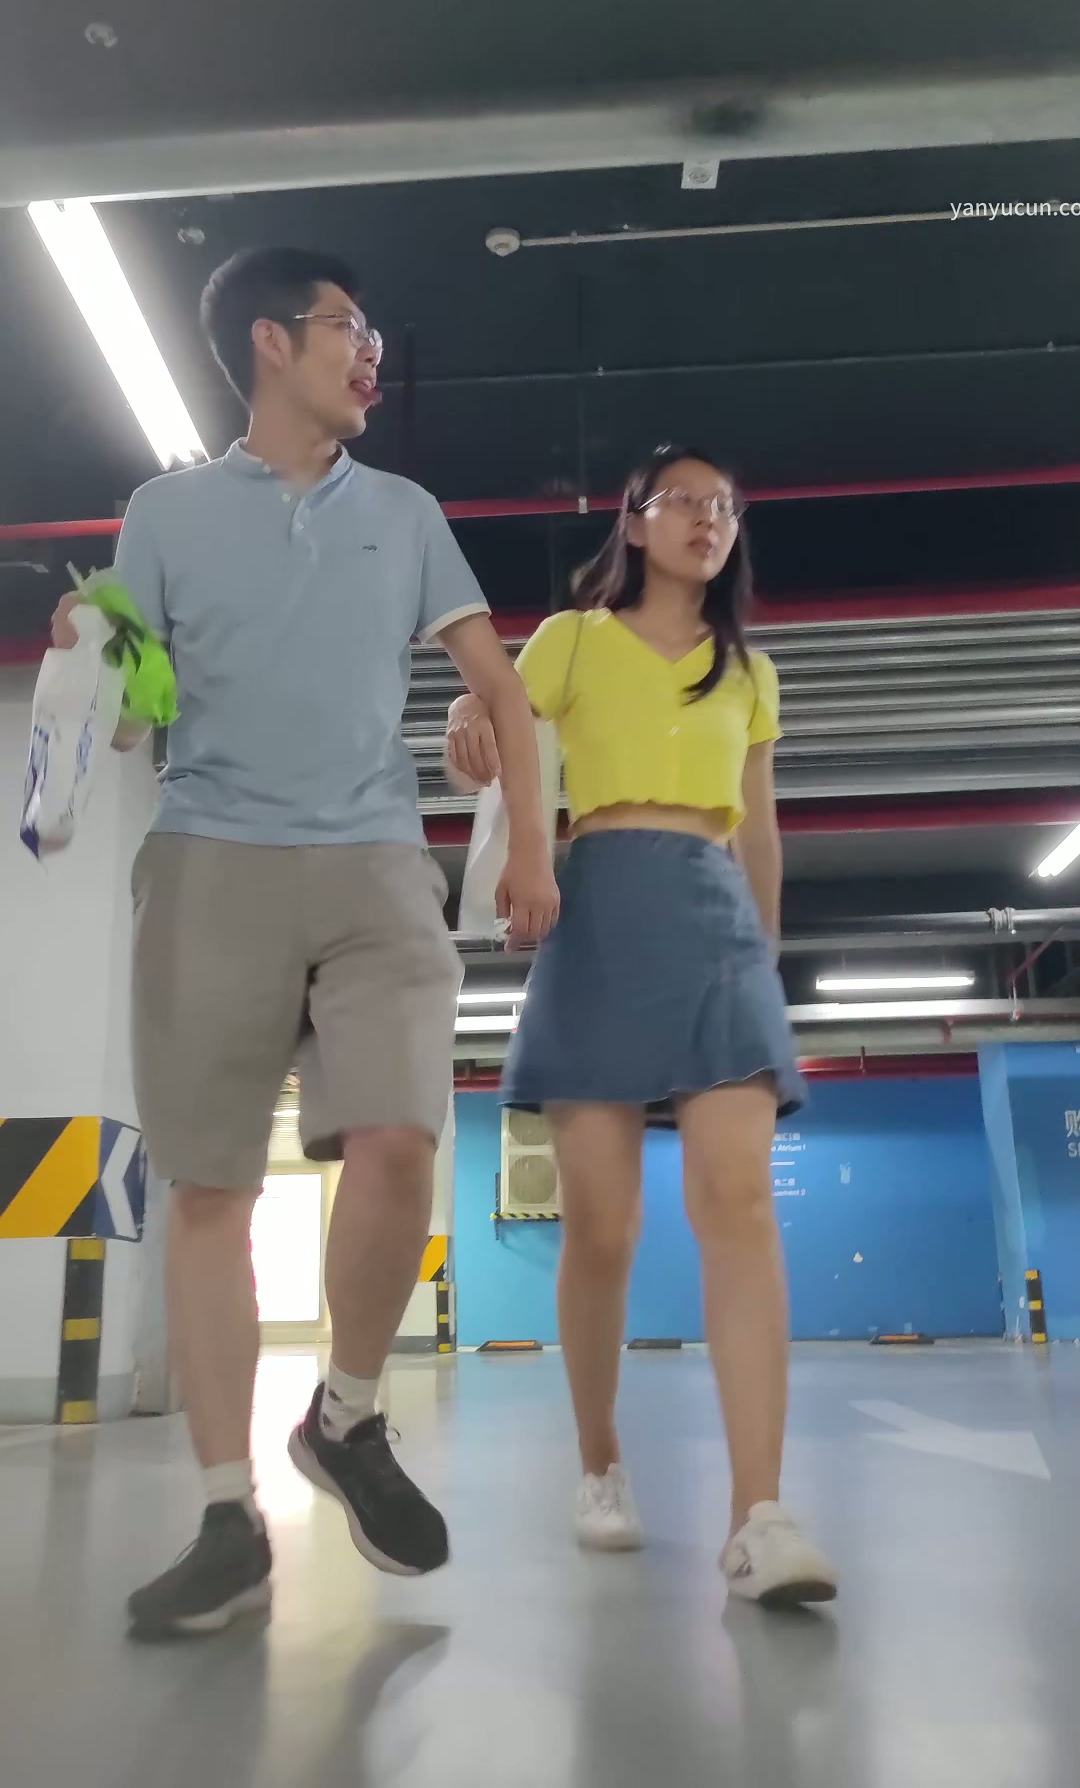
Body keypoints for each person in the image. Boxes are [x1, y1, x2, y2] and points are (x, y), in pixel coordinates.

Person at [51, 247, 559, 1640]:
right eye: (349, 327)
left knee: (399, 1138)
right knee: (210, 1187)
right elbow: (137, 712)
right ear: (273, 343)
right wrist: (93, 645)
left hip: (378, 862)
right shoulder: (163, 512)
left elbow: (501, 686)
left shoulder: (404, 512)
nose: (371, 352)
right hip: (211, 858)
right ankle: (229, 1514)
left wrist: (532, 846)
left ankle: (345, 1415)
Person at [446, 445, 837, 1607]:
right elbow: (501, 719)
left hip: (717, 917)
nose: (708, 520)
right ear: (634, 522)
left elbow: (759, 825)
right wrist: (469, 713)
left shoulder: (750, 671)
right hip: (599, 904)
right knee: (604, 1225)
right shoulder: (573, 637)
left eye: (726, 507)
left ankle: (759, 1514)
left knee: (740, 1199)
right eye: (684, 502)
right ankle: (600, 1461)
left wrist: (763, 955)